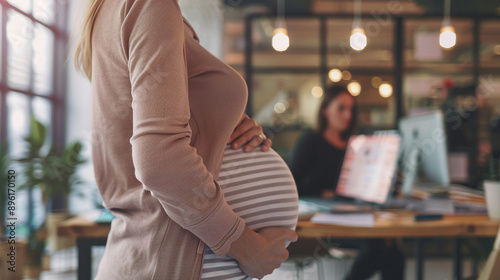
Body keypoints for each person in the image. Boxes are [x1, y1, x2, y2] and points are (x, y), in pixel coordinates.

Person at [74, 0, 298, 279]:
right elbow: (160, 161)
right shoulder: (149, 5)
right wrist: (244, 245)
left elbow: (163, 137)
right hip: (168, 262)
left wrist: (226, 126)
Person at [289, 85, 405, 280]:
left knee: (393, 252)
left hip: (355, 214)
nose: (347, 115)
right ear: (325, 110)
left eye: (351, 109)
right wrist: (325, 193)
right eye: (341, 108)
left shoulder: (358, 145)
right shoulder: (310, 141)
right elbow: (291, 185)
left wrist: (386, 183)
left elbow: (362, 183)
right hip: (322, 222)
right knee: (380, 247)